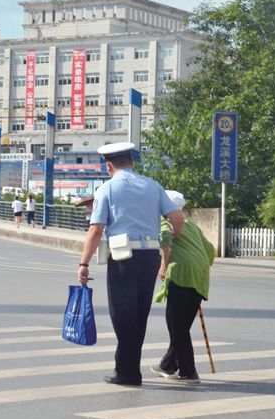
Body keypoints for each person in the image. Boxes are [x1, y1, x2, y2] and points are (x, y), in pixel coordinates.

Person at [77, 142, 184, 387]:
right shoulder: (153, 186)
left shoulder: (107, 189)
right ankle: (125, 368)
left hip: (123, 258)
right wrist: (174, 238)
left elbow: (96, 229)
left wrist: (84, 263)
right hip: (150, 258)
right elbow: (177, 218)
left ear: (109, 165)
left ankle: (127, 372)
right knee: (139, 315)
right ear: (133, 163)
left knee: (122, 315)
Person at [150, 190, 214, 385]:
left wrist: (163, 265)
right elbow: (210, 250)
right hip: (200, 277)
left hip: (182, 276)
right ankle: (168, 365)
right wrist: (198, 268)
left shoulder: (167, 221)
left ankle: (188, 371)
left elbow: (164, 237)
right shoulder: (191, 225)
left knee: (176, 326)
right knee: (181, 327)